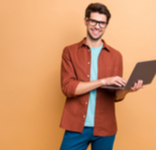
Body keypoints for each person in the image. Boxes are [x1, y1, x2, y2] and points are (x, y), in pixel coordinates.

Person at [59, 3, 144, 150]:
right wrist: (103, 81)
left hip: (105, 128)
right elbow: (68, 88)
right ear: (86, 21)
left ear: (106, 25)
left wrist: (127, 90)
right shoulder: (69, 52)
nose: (97, 26)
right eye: (93, 21)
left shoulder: (116, 56)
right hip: (76, 126)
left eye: (102, 23)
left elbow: (115, 95)